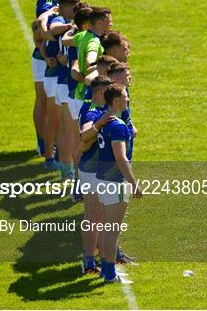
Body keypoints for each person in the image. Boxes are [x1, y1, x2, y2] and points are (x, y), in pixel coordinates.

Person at [95, 84, 142, 283]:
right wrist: (133, 182)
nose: (127, 99)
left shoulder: (104, 120)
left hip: (101, 178)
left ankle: (106, 270)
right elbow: (121, 158)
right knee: (112, 230)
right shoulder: (118, 126)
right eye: (124, 96)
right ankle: (109, 273)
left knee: (107, 227)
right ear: (116, 101)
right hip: (115, 181)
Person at [77, 76, 114, 273]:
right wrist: (99, 124)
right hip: (92, 170)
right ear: (100, 93)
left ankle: (100, 256)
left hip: (100, 169)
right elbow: (84, 135)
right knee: (94, 216)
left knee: (100, 215)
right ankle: (89, 260)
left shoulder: (99, 110)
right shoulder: (92, 112)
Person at [31, 0, 68, 156]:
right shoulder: (46, 1)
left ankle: (51, 144)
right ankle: (42, 143)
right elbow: (38, 25)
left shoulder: (59, 3)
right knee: (43, 101)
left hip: (51, 57)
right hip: (41, 57)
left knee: (56, 105)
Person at [42, 0, 80, 171]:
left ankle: (64, 166)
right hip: (64, 82)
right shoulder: (61, 21)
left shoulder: (65, 24)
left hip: (61, 81)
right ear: (68, 8)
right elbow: (52, 31)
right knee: (68, 130)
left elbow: (42, 39)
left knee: (65, 129)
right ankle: (65, 168)